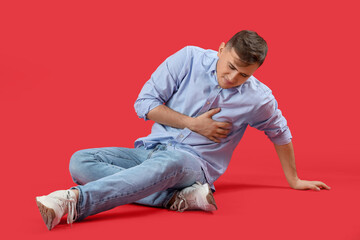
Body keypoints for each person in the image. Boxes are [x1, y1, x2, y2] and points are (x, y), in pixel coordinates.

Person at [35, 30, 331, 230]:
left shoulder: (259, 97)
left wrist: (294, 179)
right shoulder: (187, 59)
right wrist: (193, 123)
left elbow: (280, 132)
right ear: (221, 49)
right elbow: (144, 103)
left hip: (195, 164)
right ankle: (174, 198)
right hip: (149, 152)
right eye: (230, 67)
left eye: (243, 74)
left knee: (172, 162)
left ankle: (74, 201)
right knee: (80, 160)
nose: (232, 78)